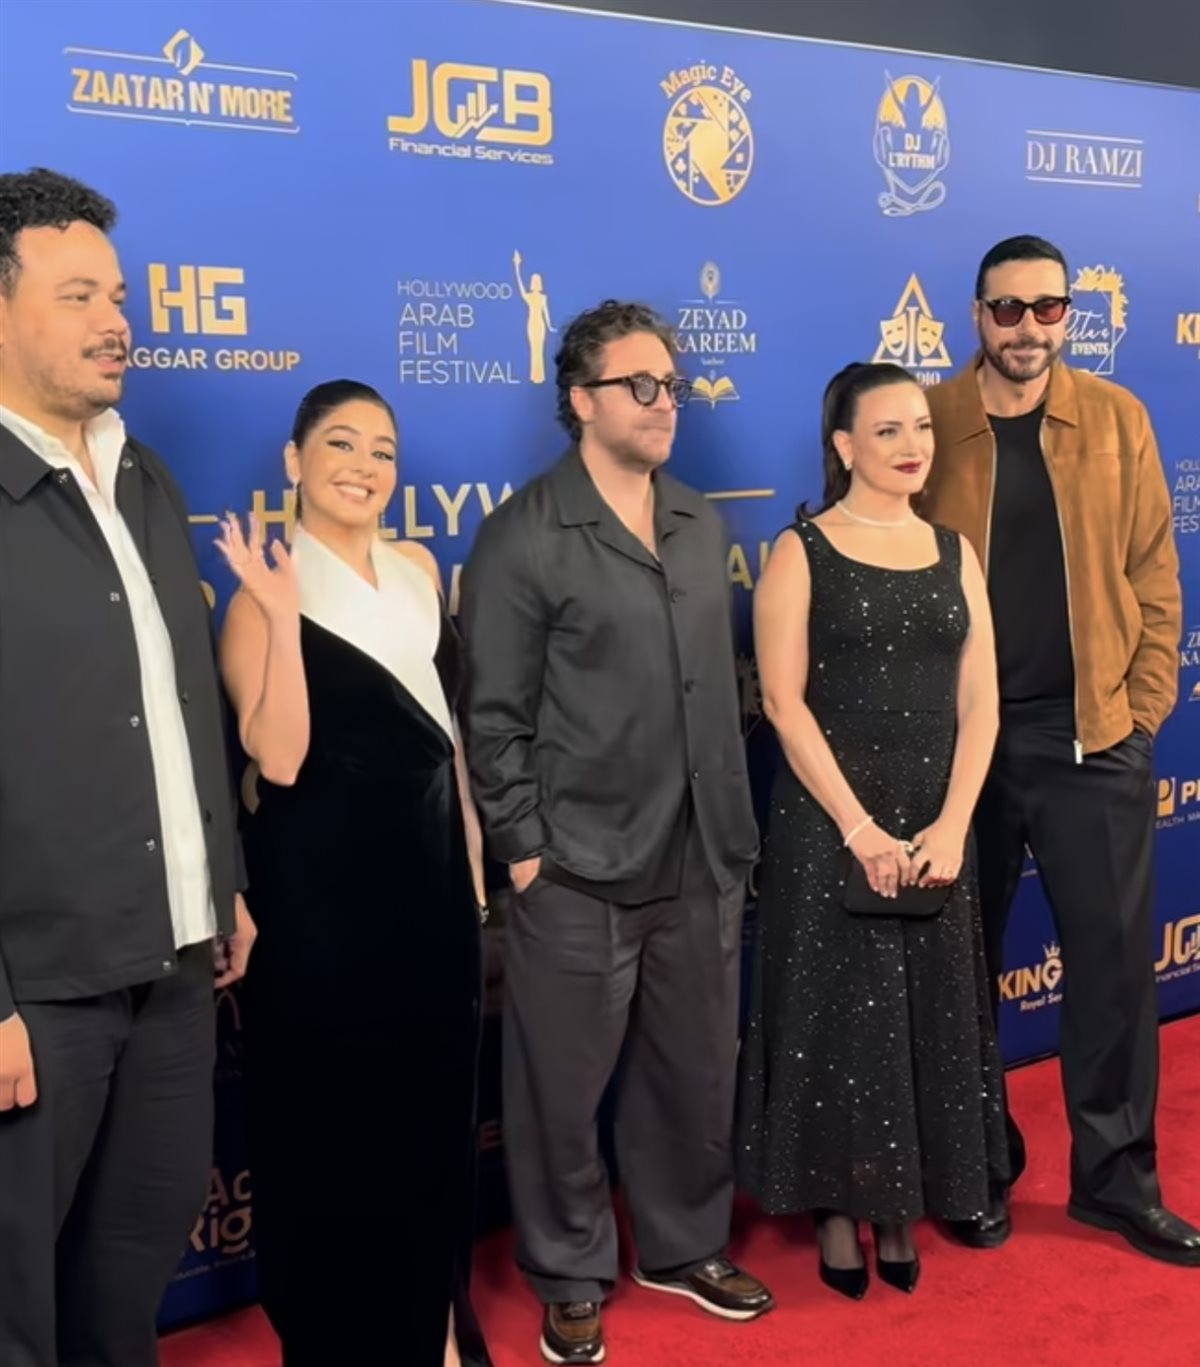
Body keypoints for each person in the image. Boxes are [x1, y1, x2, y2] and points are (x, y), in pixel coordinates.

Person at [459, 300, 773, 1365]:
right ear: (581, 400)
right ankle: (568, 1269)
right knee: (559, 1088)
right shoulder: (524, 534)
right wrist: (524, 849)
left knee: (694, 1071)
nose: (664, 401)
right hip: (575, 864)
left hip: (701, 853)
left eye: (672, 384)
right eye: (640, 385)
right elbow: (493, 714)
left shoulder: (699, 522)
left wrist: (729, 837)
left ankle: (684, 1245)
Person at [0, 167, 255, 1367]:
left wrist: (223, 882)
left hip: (175, 963)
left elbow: (181, 703)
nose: (118, 321)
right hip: (35, 991)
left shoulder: (144, 475)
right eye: (80, 295)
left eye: (119, 294)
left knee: (127, 1280)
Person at [922, 234, 1198, 1267]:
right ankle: (978, 1166)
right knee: (961, 965)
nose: (1028, 327)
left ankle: (1116, 1181)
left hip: (1093, 734)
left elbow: (1156, 573)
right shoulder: (930, 421)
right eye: (1008, 309)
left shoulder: (1118, 418)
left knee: (1116, 970)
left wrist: (1142, 709)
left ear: (1068, 315)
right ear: (976, 315)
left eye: (1048, 308)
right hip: (965, 744)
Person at [216, 380, 493, 1367]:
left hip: (431, 893)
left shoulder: (418, 565)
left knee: (431, 1119)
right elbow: (280, 757)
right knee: (336, 1131)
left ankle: (437, 1327)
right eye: (340, 443)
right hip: (322, 912)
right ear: (295, 461)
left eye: (382, 449)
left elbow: (446, 738)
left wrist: (471, 868)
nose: (364, 465)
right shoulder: (260, 591)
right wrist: (282, 614)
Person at [736, 361, 1010, 1298]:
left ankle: (901, 1205)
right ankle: (831, 1207)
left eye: (920, 427)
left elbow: (981, 700)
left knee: (923, 1010)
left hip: (936, 820)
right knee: (836, 1018)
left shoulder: (953, 551)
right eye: (887, 430)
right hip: (829, 823)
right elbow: (782, 700)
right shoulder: (801, 549)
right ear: (845, 446)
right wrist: (858, 827)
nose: (911, 445)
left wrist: (954, 822)